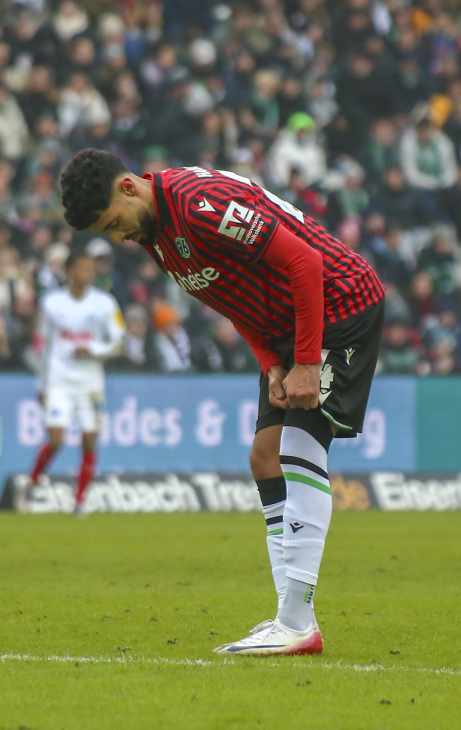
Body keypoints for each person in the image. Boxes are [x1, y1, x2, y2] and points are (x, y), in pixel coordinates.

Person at [59, 148, 385, 656]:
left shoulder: (198, 204)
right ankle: (291, 616)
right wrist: (271, 363)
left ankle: (296, 623)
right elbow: (229, 296)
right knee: (265, 457)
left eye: (113, 224)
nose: (118, 238)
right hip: (285, 328)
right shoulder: (156, 236)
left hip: (338, 302)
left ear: (128, 188)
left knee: (299, 447)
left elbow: (304, 261)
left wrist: (304, 362)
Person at [29, 247, 125, 515]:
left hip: (90, 383)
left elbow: (119, 342)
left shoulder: (105, 303)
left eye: (91, 268)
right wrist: (41, 385)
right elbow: (42, 344)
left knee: (89, 440)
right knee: (56, 439)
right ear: (69, 271)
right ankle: (33, 483)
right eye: (83, 268)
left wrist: (93, 350)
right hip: (59, 380)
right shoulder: (51, 303)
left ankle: (80, 499)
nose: (88, 273)